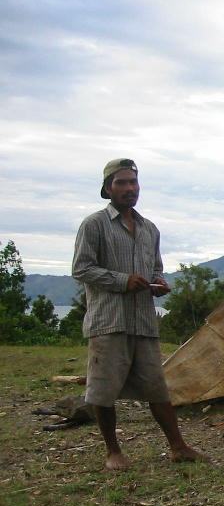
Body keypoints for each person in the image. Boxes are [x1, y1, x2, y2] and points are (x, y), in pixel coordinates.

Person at [72, 158, 204, 471]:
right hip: (109, 321)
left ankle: (178, 446)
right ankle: (113, 452)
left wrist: (158, 283)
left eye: (133, 182)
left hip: (143, 321)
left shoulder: (149, 229)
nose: (129, 188)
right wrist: (122, 280)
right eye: (121, 183)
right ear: (108, 189)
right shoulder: (94, 225)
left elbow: (155, 268)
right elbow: (81, 268)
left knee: (157, 386)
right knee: (103, 390)